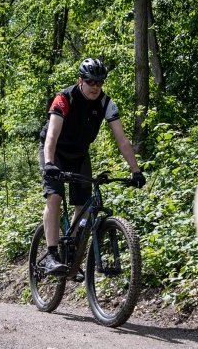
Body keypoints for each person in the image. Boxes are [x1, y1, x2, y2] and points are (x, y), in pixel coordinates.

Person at [38, 58, 145, 275]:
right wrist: (49, 163)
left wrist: (136, 170)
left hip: (79, 154)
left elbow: (122, 141)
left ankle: (72, 257)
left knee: (82, 205)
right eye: (91, 82)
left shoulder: (106, 103)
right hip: (55, 151)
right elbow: (52, 136)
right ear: (81, 81)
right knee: (55, 196)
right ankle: (51, 254)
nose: (95, 87)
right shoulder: (64, 98)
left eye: (99, 82)